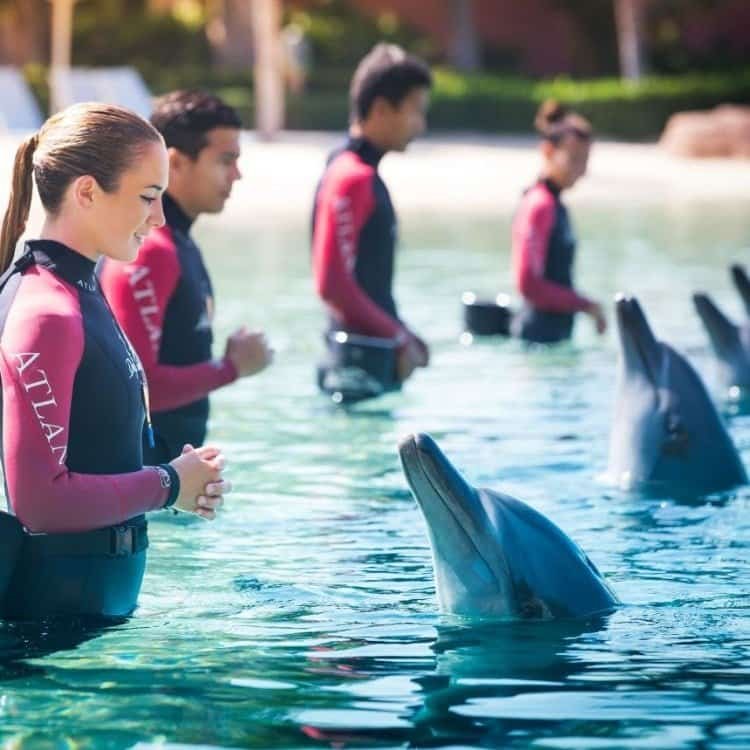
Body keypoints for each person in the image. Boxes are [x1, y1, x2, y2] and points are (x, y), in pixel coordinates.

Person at [0, 103, 230, 621]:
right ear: (85, 192)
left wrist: (180, 483)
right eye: (148, 197)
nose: (160, 218)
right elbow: (40, 500)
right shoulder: (48, 311)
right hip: (52, 642)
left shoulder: (77, 289)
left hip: (81, 622)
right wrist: (168, 483)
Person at [99, 91, 272, 464]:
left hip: (161, 486)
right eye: (226, 160)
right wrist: (230, 368)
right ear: (174, 163)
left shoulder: (175, 244)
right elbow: (138, 387)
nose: (237, 174)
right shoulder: (150, 251)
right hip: (143, 486)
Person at [312, 43, 431, 390]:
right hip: (356, 369)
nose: (420, 124)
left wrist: (402, 333)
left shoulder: (351, 169)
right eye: (415, 111)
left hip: (361, 359)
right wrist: (398, 336)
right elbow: (332, 285)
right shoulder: (353, 177)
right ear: (381, 108)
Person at [510, 100, 607, 344]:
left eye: (585, 160)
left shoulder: (555, 204)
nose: (581, 169)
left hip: (553, 338)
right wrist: (585, 305)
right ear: (548, 152)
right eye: (574, 159)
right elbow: (528, 283)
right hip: (537, 338)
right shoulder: (540, 205)